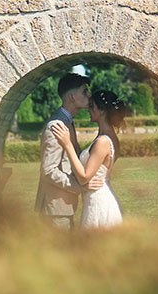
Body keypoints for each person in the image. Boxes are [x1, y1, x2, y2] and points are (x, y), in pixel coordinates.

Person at [35, 72, 102, 230]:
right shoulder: (56, 126)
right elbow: (48, 170)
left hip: (62, 207)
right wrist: (81, 187)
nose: (89, 95)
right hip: (55, 210)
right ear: (72, 97)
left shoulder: (67, 121)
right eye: (84, 91)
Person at [51, 89, 126, 228]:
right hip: (96, 198)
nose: (88, 109)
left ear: (102, 111)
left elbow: (84, 177)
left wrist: (67, 144)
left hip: (99, 202)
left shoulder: (103, 141)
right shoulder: (106, 137)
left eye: (92, 106)